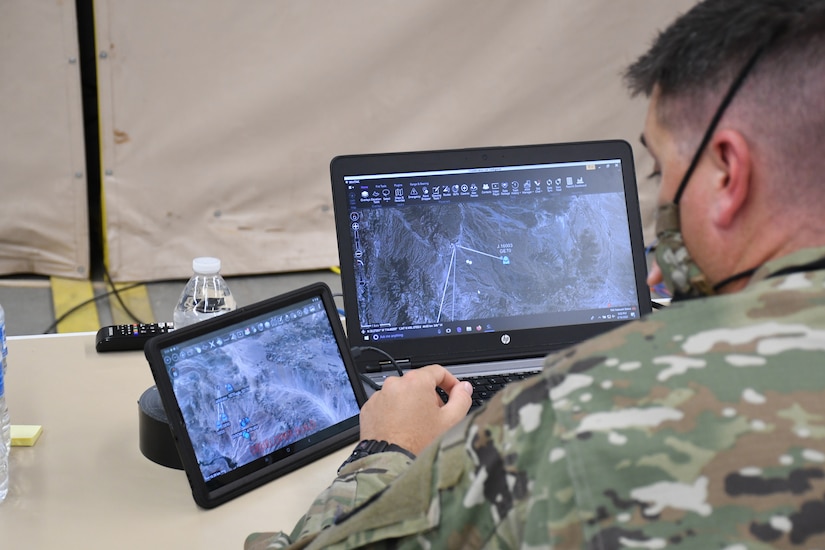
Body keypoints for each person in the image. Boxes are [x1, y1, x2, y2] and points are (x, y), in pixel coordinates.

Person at [247, 0, 825, 547]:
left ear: (727, 173)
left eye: (659, 169)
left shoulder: (575, 411)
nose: (663, 194)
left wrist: (387, 446)